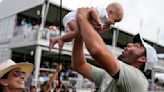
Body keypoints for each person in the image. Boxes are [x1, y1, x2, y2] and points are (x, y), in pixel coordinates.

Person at [71, 7, 158, 92]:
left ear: (142, 59)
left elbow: (97, 51)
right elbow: (79, 65)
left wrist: (82, 18)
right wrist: (80, 34)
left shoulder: (138, 79)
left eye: (137, 45)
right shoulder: (111, 75)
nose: (129, 44)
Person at [49, 2, 124, 50]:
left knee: (74, 36)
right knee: (78, 32)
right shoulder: (103, 12)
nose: (114, 23)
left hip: (78, 22)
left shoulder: (105, 21)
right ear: (110, 12)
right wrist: (99, 22)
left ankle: (56, 39)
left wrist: (105, 28)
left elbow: (96, 31)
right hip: (73, 17)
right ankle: (61, 39)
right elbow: (93, 11)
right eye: (115, 20)